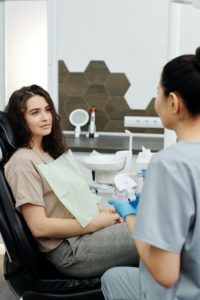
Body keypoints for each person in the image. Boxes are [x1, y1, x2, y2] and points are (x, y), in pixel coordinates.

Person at [3, 84, 139, 278]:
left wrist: (103, 211)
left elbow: (68, 203)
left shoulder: (49, 154)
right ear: (21, 120)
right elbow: (39, 227)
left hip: (83, 236)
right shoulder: (22, 161)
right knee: (153, 232)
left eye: (47, 109)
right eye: (35, 112)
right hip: (70, 250)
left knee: (150, 223)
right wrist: (94, 223)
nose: (45, 117)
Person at [101, 46, 200, 300]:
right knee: (114, 278)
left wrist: (133, 217)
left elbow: (165, 273)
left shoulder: (170, 164)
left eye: (158, 93)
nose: (156, 100)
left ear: (173, 102)